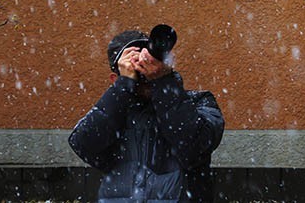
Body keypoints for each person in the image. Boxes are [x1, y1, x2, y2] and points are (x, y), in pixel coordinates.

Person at [69, 26, 225, 202]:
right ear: (115, 79)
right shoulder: (116, 111)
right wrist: (124, 86)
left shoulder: (199, 102)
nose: (145, 71)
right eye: (137, 68)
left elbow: (193, 147)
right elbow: (83, 143)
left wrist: (164, 83)